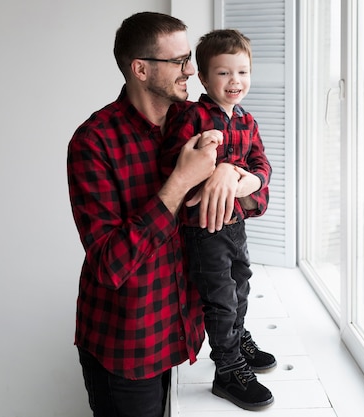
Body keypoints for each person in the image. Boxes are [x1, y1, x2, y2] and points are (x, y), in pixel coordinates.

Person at [66, 12, 241, 417]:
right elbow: (111, 264)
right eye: (179, 61)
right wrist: (180, 181)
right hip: (126, 349)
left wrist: (233, 174)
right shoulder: (94, 142)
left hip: (180, 330)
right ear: (140, 69)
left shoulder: (196, 122)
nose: (191, 70)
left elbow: (258, 189)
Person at [160, 29, 275, 411]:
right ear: (205, 78)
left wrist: (251, 178)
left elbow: (261, 164)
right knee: (221, 299)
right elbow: (174, 163)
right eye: (224, 73)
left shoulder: (247, 120)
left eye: (242, 72)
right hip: (204, 229)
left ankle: (239, 338)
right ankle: (227, 369)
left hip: (235, 225)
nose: (235, 81)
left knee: (242, 283)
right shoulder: (192, 115)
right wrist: (216, 166)